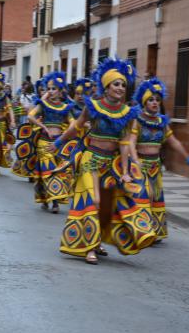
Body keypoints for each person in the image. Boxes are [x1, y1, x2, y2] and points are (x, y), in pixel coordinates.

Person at [48, 57, 156, 264]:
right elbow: (76, 126)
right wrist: (59, 142)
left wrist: (125, 171)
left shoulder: (128, 112)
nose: (120, 88)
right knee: (94, 200)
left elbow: (125, 142)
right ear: (106, 87)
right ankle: (88, 248)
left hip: (111, 163)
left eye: (123, 84)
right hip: (91, 159)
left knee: (107, 206)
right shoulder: (93, 107)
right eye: (116, 84)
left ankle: (97, 242)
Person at [128, 77, 189, 241]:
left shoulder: (161, 122)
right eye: (151, 100)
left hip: (155, 165)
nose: (154, 103)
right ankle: (141, 230)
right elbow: (130, 142)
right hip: (140, 164)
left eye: (157, 100)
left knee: (155, 196)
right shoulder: (137, 120)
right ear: (144, 102)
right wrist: (135, 159)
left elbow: (173, 141)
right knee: (145, 195)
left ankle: (153, 230)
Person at [15, 71, 74, 213]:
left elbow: (73, 123)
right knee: (49, 171)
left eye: (54, 89)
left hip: (59, 144)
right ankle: (55, 203)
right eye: (48, 88)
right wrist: (43, 126)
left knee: (56, 172)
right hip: (44, 142)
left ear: (61, 91)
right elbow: (30, 115)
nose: (50, 91)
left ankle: (46, 198)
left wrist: (65, 135)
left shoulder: (66, 108)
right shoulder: (43, 105)